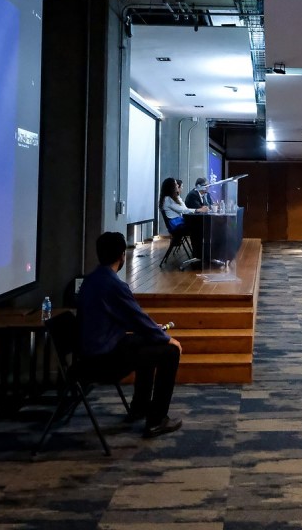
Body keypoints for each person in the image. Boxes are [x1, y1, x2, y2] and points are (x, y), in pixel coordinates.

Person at [77, 232, 183, 437]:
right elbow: (136, 316)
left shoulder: (91, 280)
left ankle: (140, 408)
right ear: (121, 256)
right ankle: (157, 420)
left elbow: (124, 317)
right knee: (170, 352)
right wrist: (168, 339)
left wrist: (152, 330)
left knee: (148, 340)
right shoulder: (113, 285)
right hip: (102, 359)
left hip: (91, 352)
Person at [159, 177, 198, 258]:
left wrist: (177, 195)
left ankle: (197, 253)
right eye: (176, 184)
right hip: (177, 226)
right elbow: (183, 210)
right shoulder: (168, 199)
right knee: (198, 227)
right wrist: (198, 210)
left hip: (178, 224)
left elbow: (184, 208)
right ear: (171, 187)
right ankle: (197, 253)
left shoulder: (172, 198)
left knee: (197, 226)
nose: (178, 185)